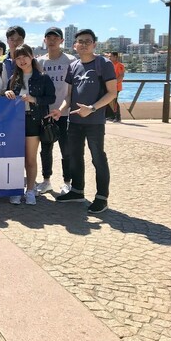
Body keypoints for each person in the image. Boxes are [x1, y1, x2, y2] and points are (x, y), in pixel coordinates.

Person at [53, 29, 116, 214]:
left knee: (98, 158)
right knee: (74, 157)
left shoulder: (103, 64)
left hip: (95, 122)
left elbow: (112, 93)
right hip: (74, 121)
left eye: (88, 41)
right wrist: (61, 109)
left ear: (94, 44)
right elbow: (69, 95)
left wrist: (93, 109)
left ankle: (102, 197)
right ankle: (77, 191)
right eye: (80, 41)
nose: (84, 44)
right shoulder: (73, 66)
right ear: (75, 45)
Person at [4, 44, 55, 205]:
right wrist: (7, 93)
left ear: (31, 56)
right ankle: (17, 189)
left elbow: (51, 98)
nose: (21, 60)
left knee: (30, 158)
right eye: (18, 58)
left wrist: (34, 99)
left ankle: (30, 190)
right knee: (17, 158)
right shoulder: (14, 79)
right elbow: (6, 99)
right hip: (15, 122)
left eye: (24, 56)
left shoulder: (43, 77)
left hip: (33, 120)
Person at [36, 27, 76, 195]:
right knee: (45, 149)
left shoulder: (71, 60)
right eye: (48, 37)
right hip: (46, 112)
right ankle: (46, 181)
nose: (52, 40)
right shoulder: (40, 62)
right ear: (44, 40)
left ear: (61, 41)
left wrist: (61, 109)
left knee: (66, 149)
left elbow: (72, 91)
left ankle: (67, 182)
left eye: (55, 37)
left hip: (64, 112)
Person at [106, 52, 125, 122]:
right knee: (109, 101)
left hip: (116, 86)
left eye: (110, 56)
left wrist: (113, 83)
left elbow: (121, 76)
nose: (109, 58)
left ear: (115, 57)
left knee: (114, 102)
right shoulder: (110, 65)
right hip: (109, 86)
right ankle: (111, 116)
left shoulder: (119, 65)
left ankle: (118, 117)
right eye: (108, 56)